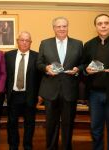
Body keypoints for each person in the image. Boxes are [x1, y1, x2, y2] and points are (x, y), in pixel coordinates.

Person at [37, 17, 83, 150]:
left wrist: (77, 69)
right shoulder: (45, 43)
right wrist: (46, 68)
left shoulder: (78, 44)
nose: (62, 29)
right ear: (54, 28)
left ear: (68, 27)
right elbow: (39, 63)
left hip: (70, 90)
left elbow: (83, 63)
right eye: (58, 26)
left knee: (68, 124)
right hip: (50, 91)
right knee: (51, 124)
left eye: (64, 26)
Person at [5, 31, 40, 150]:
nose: (24, 43)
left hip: (29, 95)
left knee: (30, 123)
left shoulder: (37, 56)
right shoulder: (8, 55)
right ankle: (13, 146)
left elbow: (40, 78)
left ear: (31, 43)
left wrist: (40, 95)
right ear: (17, 41)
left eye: (27, 40)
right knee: (12, 122)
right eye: (22, 40)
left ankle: (27, 146)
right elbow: (4, 75)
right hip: (13, 95)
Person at [82, 14, 109, 150]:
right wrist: (86, 70)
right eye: (100, 23)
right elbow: (83, 67)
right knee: (96, 129)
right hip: (94, 94)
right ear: (95, 26)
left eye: (106, 23)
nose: (103, 26)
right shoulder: (88, 45)